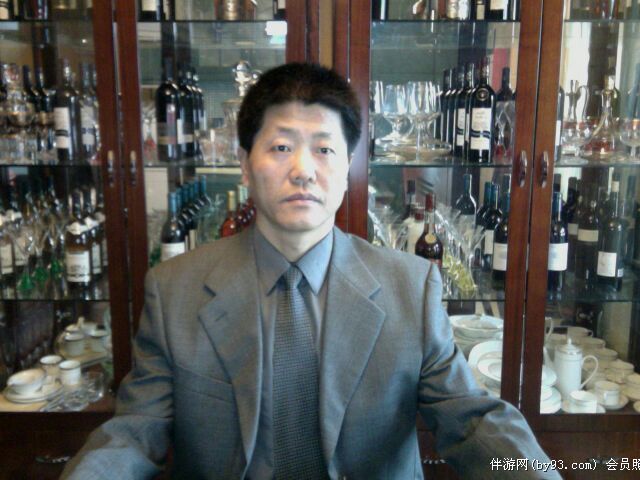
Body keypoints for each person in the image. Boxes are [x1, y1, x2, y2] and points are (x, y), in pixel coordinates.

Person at [62, 63, 560, 479]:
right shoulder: (176, 290)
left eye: (324, 149)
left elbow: (472, 421)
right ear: (244, 163)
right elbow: (135, 432)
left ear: (348, 168)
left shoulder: (410, 287)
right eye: (281, 147)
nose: (303, 170)